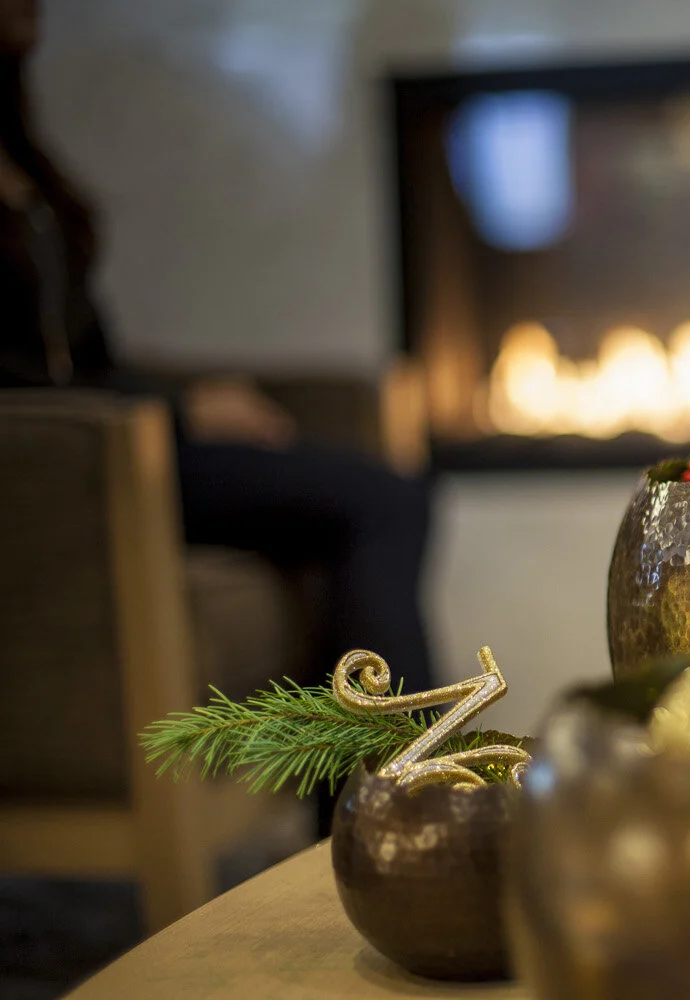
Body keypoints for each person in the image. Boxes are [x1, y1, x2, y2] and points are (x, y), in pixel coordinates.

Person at [0, 0, 436, 711]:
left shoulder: (22, 151)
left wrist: (194, 394)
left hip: (122, 434)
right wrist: (179, 407)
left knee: (361, 500)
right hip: (72, 464)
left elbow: (84, 359)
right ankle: (405, 781)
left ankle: (357, 787)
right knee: (382, 501)